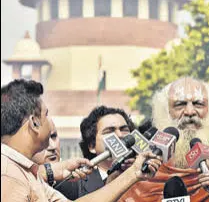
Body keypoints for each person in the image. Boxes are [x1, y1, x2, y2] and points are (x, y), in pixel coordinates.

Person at [1, 79, 162, 202]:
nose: (50, 123)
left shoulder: (27, 173)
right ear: (34, 123)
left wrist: (134, 173)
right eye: (46, 114)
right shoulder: (7, 175)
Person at [119, 76, 209, 201]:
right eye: (180, 104)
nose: (189, 111)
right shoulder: (142, 168)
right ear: (166, 111)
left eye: (198, 104)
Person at [58, 106, 137, 199]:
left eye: (124, 130)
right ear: (91, 145)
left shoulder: (147, 175)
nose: (120, 135)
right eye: (109, 131)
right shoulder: (73, 184)